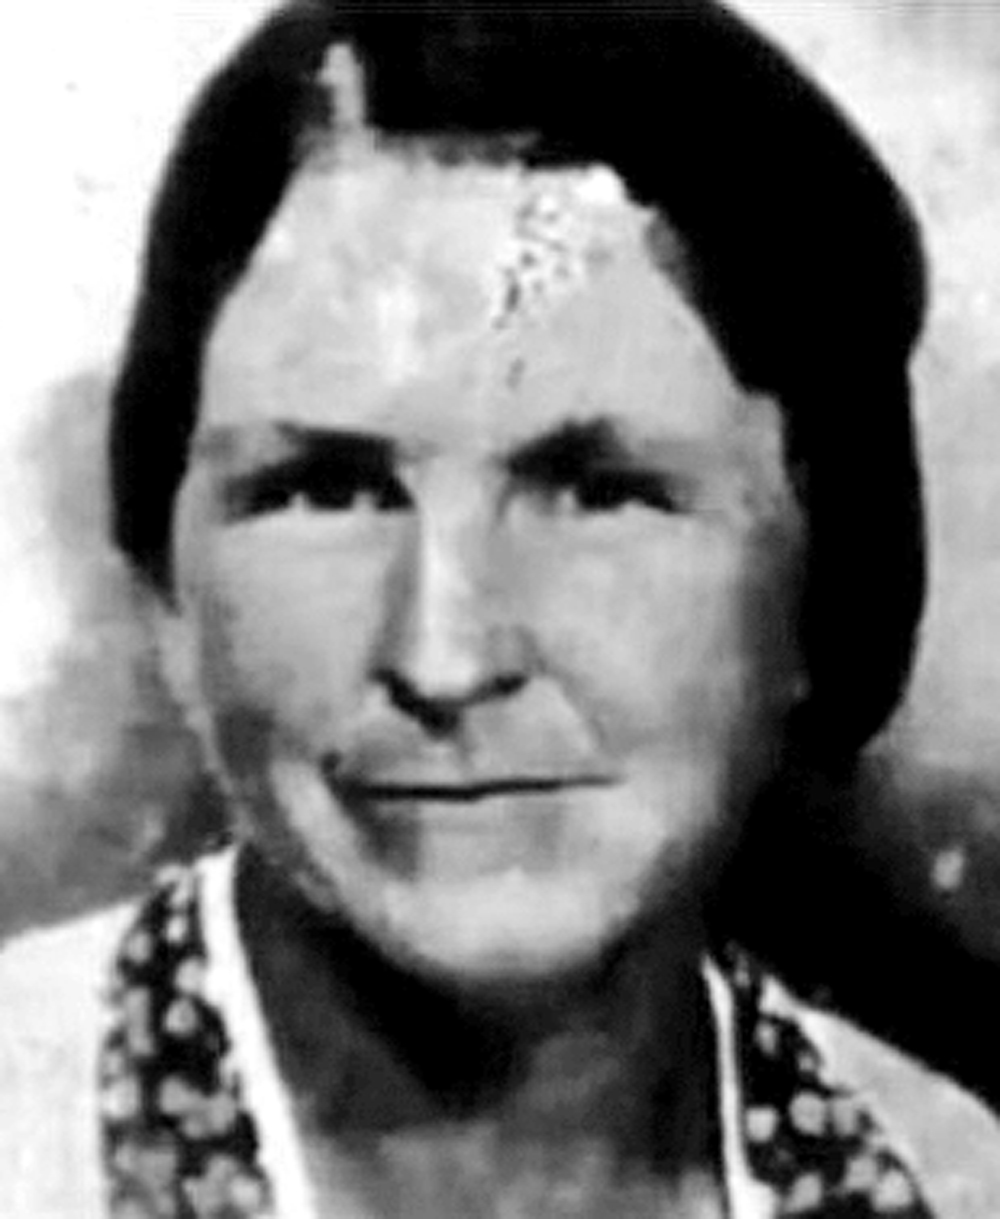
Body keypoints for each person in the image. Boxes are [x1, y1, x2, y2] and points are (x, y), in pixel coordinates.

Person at [2, 1, 999, 1216]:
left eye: (598, 490)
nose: (444, 656)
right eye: (325, 489)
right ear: (166, 587)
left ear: (819, 573)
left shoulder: (952, 1175)